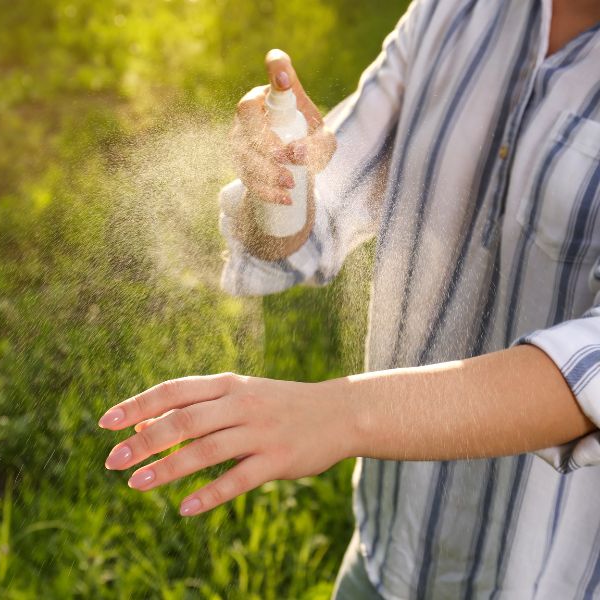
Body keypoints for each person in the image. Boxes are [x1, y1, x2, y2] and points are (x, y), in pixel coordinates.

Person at [99, 0, 600, 597]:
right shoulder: (455, 11)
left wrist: (339, 414)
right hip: (390, 554)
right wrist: (279, 183)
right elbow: (326, 205)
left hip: (543, 576)